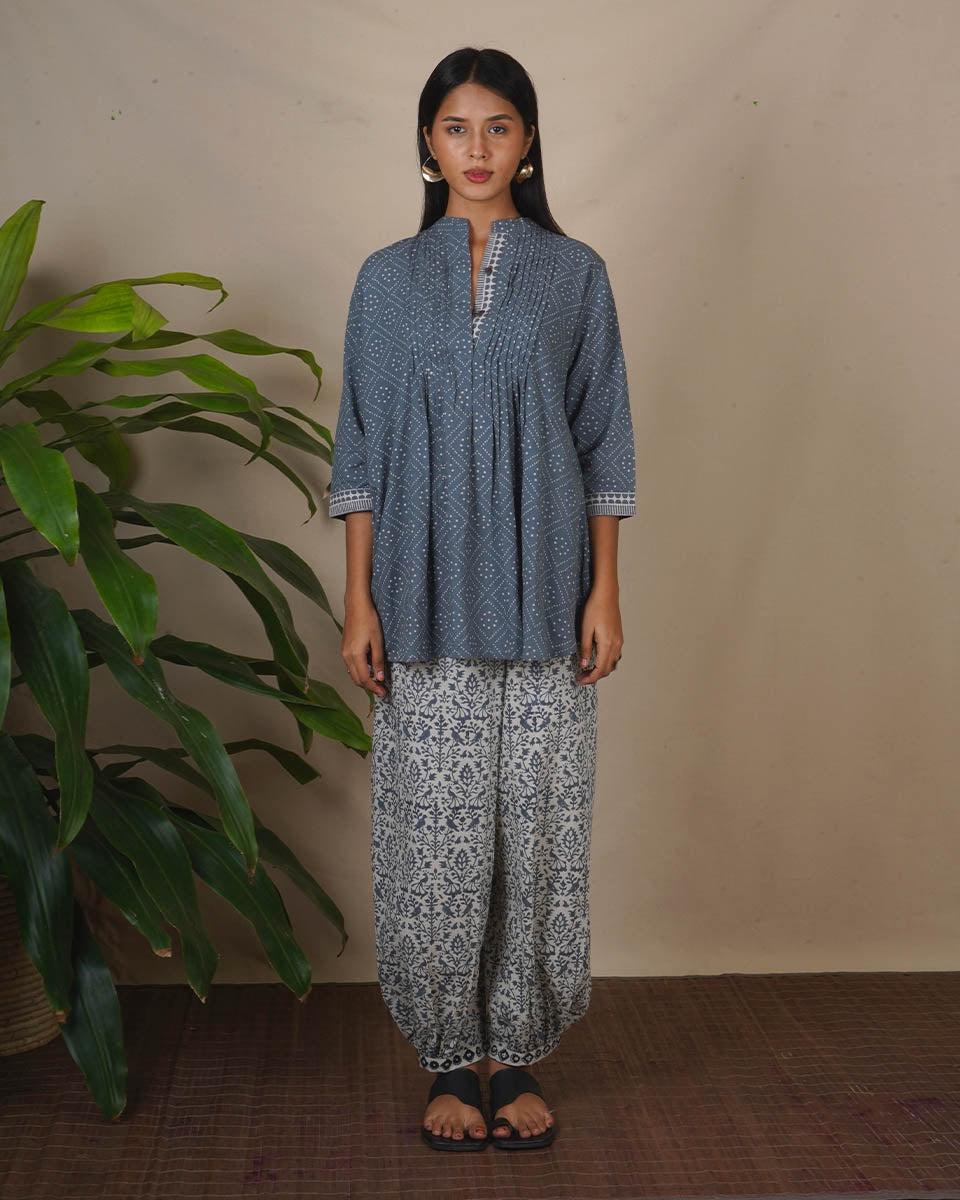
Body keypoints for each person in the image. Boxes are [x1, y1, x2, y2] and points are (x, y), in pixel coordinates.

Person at [328, 46, 636, 1152]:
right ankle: (451, 1057)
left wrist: (606, 592)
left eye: (498, 127)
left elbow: (603, 442)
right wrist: (358, 603)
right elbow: (359, 449)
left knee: (536, 831)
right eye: (456, 127)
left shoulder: (575, 275)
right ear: (427, 142)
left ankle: (516, 1053)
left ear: (530, 141)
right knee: (436, 836)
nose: (477, 149)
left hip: (549, 597)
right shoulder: (384, 280)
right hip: (417, 602)